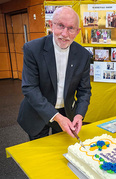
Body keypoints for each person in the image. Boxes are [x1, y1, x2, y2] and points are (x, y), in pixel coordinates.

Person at [17, 7, 91, 140]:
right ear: (51, 25)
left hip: (66, 112)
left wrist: (79, 115)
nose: (65, 34)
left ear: (78, 31)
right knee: (40, 154)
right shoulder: (32, 49)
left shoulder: (83, 55)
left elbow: (84, 90)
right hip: (37, 111)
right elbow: (29, 88)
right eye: (60, 26)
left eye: (71, 28)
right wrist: (56, 117)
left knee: (61, 152)